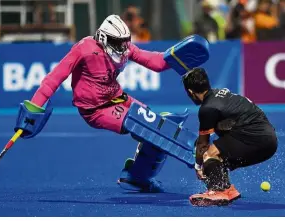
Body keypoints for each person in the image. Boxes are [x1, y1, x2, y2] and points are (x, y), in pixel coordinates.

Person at [15, 15, 207, 192]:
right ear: (103, 38)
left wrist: (175, 57)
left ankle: (135, 177)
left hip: (119, 98)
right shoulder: (85, 49)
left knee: (155, 128)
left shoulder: (125, 48)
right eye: (118, 43)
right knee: (147, 126)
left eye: (125, 42)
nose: (124, 48)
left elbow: (155, 63)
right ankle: (195, 158)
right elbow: (55, 78)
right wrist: (35, 107)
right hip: (96, 110)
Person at [182, 68, 278, 206]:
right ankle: (227, 189)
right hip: (269, 139)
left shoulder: (208, 108)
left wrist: (198, 166)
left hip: (255, 138)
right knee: (219, 154)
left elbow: (203, 145)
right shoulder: (221, 95)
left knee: (209, 154)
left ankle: (219, 190)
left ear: (191, 92)